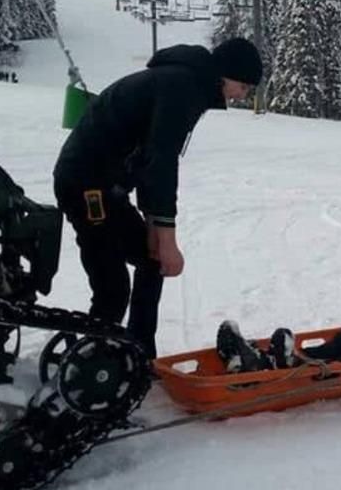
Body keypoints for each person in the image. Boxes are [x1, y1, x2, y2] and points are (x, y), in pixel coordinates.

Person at [53, 37, 263, 358]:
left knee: (151, 261)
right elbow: (161, 161)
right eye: (243, 86)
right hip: (86, 185)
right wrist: (167, 237)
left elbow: (146, 160)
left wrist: (154, 225)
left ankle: (138, 352)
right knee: (113, 287)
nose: (242, 96)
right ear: (225, 74)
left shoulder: (185, 81)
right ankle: (92, 363)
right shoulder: (183, 87)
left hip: (106, 186)